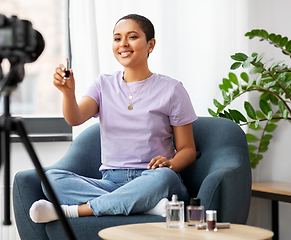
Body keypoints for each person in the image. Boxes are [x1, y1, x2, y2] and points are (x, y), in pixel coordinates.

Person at [29, 14, 197, 223]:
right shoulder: (102, 85)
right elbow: (76, 118)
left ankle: (74, 211)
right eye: (117, 38)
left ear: (150, 45)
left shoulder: (172, 89)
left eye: (132, 37)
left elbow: (188, 149)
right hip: (110, 181)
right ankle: (145, 207)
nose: (123, 44)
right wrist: (68, 93)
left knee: (164, 178)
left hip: (153, 178)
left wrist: (170, 164)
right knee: (51, 179)